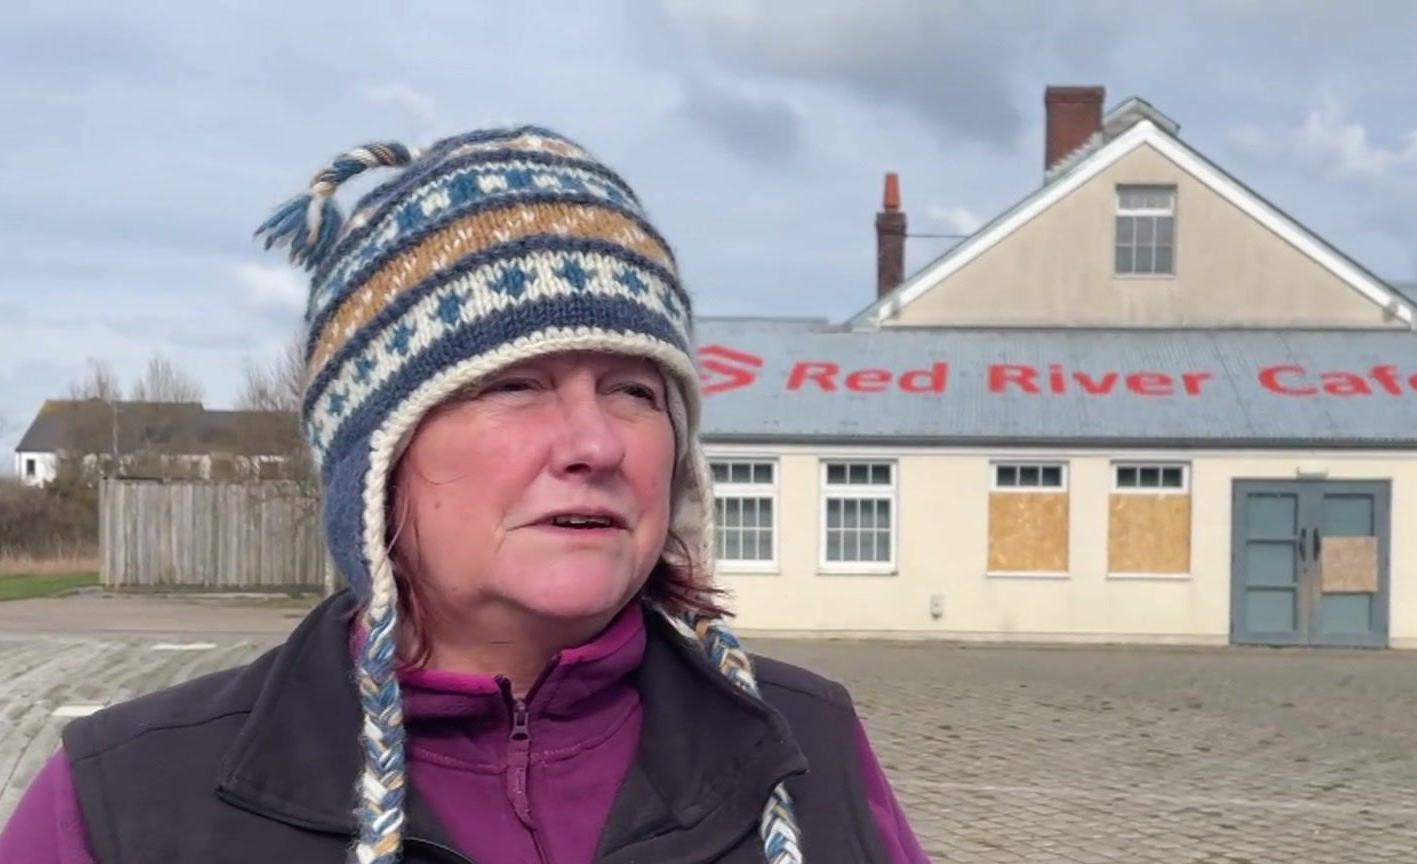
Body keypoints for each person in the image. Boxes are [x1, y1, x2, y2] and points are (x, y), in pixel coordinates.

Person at [0, 128, 929, 863]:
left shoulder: (806, 748)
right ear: (378, 457)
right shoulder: (128, 802)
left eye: (636, 391)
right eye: (513, 384)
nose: (596, 442)